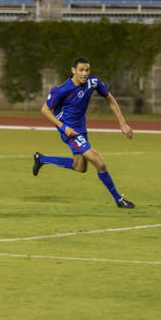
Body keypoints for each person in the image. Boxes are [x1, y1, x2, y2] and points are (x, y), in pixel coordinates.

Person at [32, 57, 135, 209]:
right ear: (73, 70)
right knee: (100, 163)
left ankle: (41, 159)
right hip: (70, 131)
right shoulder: (62, 90)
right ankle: (119, 199)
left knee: (80, 167)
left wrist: (122, 123)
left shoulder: (92, 82)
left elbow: (109, 98)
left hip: (81, 129)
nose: (85, 73)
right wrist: (63, 127)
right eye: (81, 70)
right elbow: (45, 109)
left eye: (87, 70)